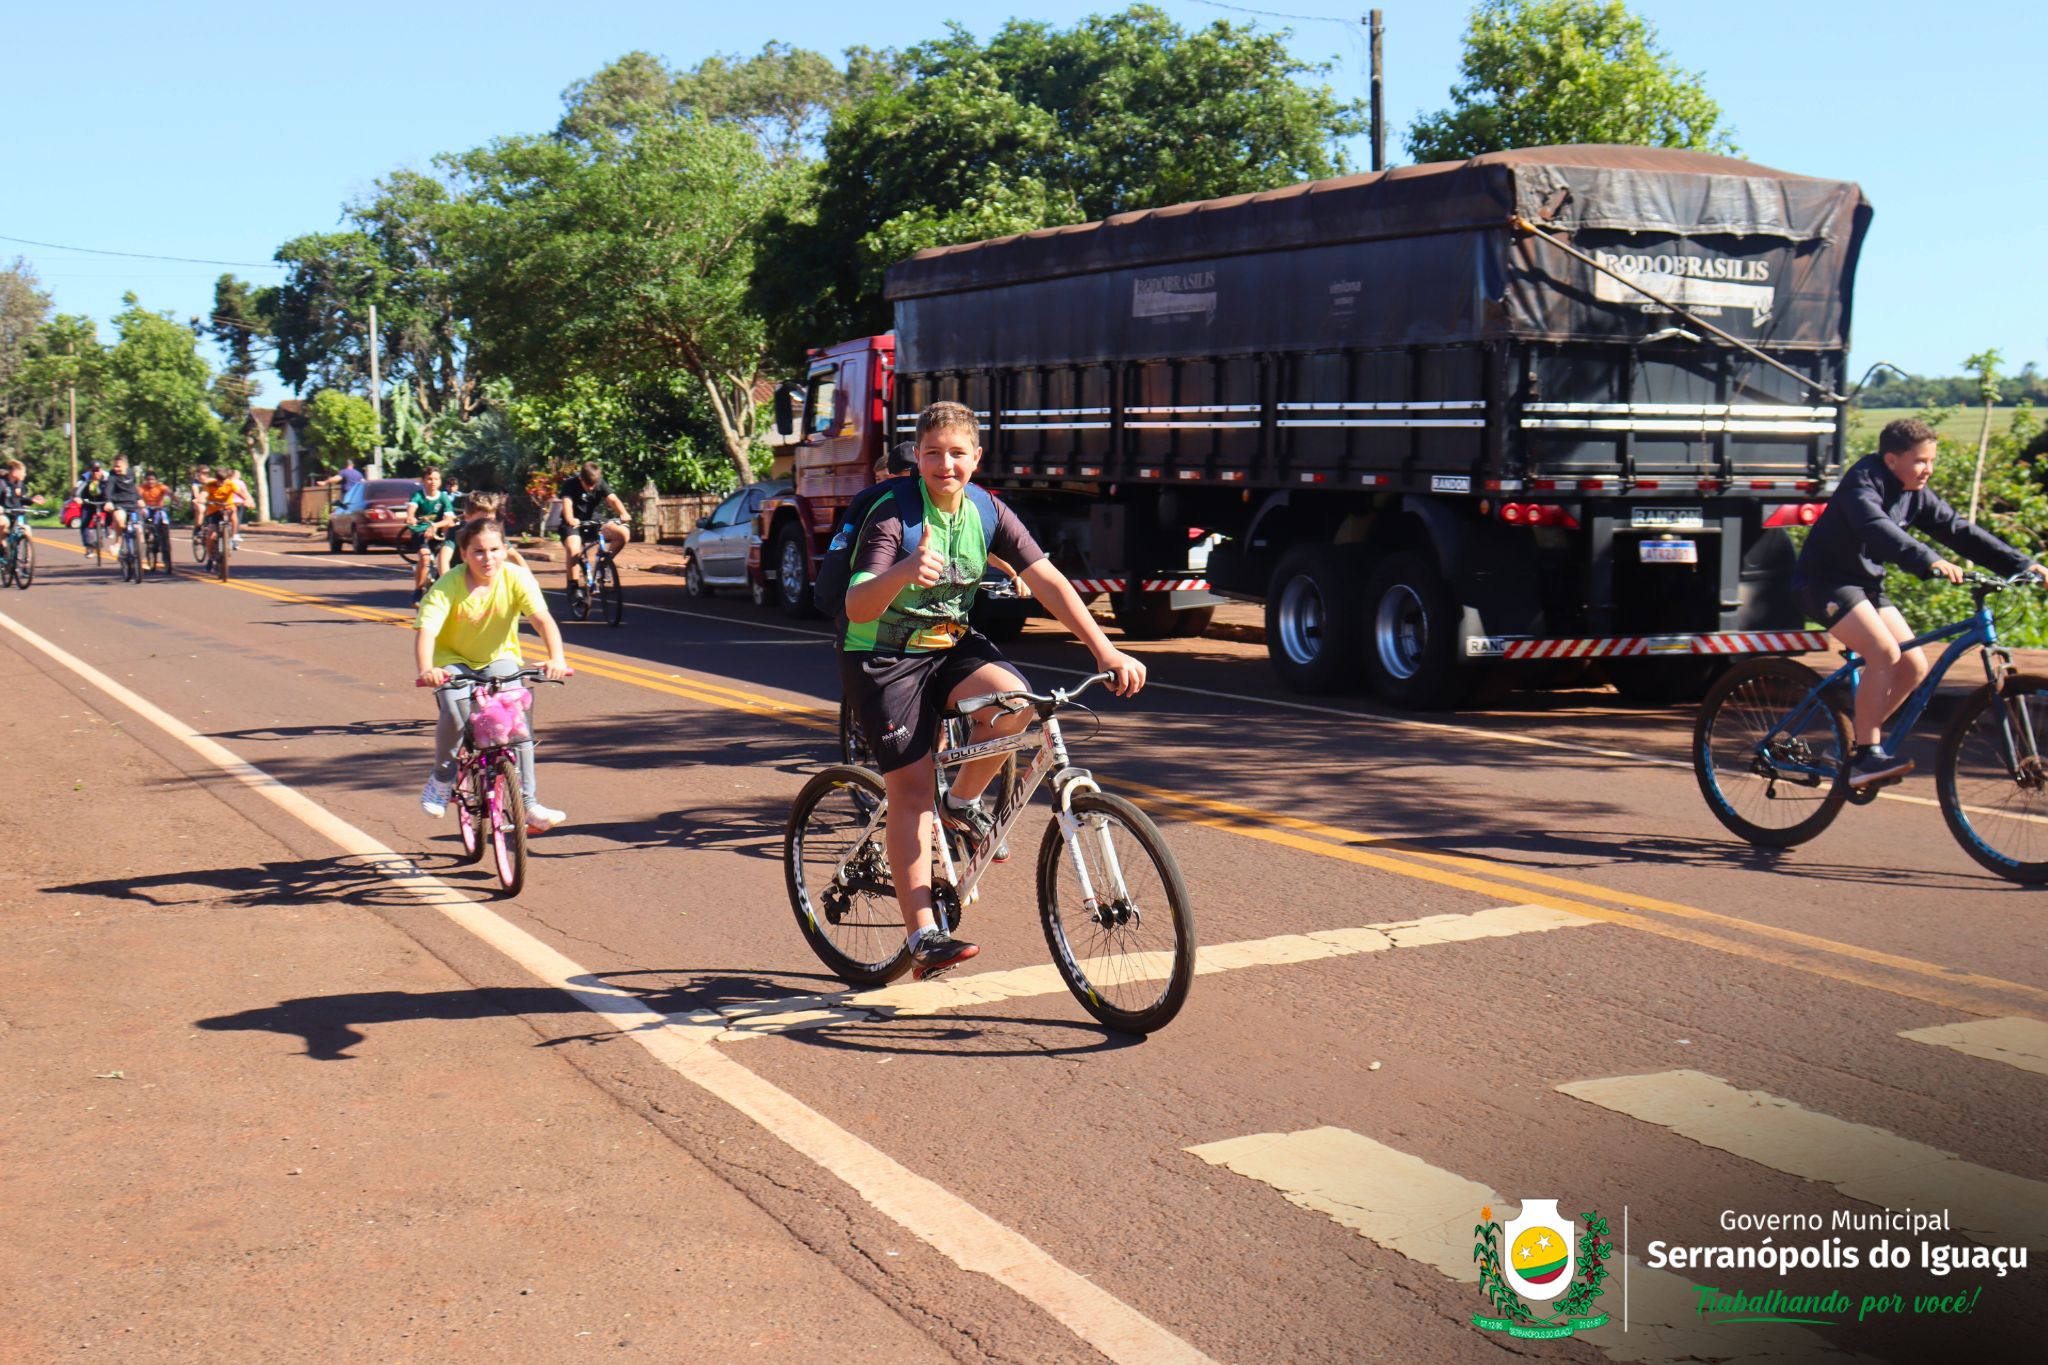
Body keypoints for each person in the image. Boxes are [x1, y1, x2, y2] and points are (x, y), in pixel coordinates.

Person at [840, 400, 1148, 979]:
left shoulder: (987, 510)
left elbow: (1046, 578)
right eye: (934, 453)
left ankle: (960, 803)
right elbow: (856, 603)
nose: (946, 465)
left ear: (977, 458)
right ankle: (923, 935)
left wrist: (1104, 649)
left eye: (957, 453)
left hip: (946, 643)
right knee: (911, 790)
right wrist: (903, 571)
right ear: (918, 458)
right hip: (882, 656)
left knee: (1015, 703)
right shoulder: (894, 514)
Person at [1792, 416, 2048, 786]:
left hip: (1866, 586)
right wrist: (1928, 559)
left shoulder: (1914, 491)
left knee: (1913, 665)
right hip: (1824, 584)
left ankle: (1848, 746)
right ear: (1892, 459)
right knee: (1884, 653)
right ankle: (1867, 756)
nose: (1928, 469)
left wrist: (2021, 564)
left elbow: (1959, 530)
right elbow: (1876, 527)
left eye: (1932, 461)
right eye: (1921, 461)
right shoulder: (1862, 483)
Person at [413, 517, 569, 833]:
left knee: (517, 723)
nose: (488, 558)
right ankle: (442, 778)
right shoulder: (449, 584)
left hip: (500, 657)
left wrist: (557, 657)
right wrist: (427, 669)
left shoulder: (516, 577)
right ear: (464, 553)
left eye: (495, 549)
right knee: (455, 713)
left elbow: (541, 619)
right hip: (452, 661)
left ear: (505, 549)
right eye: (479, 551)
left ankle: (528, 804)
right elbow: (427, 630)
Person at [554, 461, 629, 598]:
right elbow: (567, 503)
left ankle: (604, 564)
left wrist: (623, 513)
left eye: (593, 485)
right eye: (588, 484)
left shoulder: (599, 483)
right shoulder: (570, 484)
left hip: (592, 519)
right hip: (572, 523)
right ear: (580, 478)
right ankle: (574, 586)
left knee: (622, 534)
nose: (591, 488)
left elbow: (613, 499)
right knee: (574, 549)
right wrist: (570, 519)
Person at [406, 467, 459, 605]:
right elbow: (412, 508)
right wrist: (411, 517)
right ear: (423, 481)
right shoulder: (418, 495)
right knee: (425, 558)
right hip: (421, 533)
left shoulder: (443, 497)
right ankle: (418, 591)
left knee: (447, 558)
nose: (433, 482)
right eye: (429, 479)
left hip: (438, 534)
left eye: (436, 479)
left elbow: (449, 519)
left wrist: (435, 526)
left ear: (440, 481)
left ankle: (446, 589)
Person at [461, 491, 530, 570]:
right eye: (481, 521)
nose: (486, 525)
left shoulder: (493, 533)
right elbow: (447, 555)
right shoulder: (459, 532)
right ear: (467, 518)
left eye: (491, 520)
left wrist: (528, 575)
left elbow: (514, 555)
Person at [199, 466, 254, 562]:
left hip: (227, 507)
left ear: (227, 479)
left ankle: (232, 538)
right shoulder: (210, 485)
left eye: (223, 480)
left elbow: (243, 494)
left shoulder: (231, 484)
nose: (220, 483)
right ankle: (210, 557)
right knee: (211, 534)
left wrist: (248, 500)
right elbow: (203, 494)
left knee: (233, 516)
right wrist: (201, 499)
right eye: (219, 480)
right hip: (213, 510)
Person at [1, 460, 45, 550]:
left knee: (27, 531)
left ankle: (28, 555)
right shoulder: (2, 483)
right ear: (14, 472)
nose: (24, 474)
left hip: (18, 514)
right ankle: (2, 542)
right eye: (23, 472)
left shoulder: (20, 485)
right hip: (5, 514)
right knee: (3, 523)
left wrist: (32, 500)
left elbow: (21, 499)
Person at [102, 455, 142, 553]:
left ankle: (142, 553)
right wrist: (108, 501)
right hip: (120, 504)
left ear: (126, 465)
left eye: (118, 466)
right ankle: (118, 543)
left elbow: (134, 487)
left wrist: (139, 499)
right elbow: (108, 488)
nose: (116, 469)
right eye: (114, 466)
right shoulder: (112, 475)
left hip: (133, 503)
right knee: (120, 521)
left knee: (140, 530)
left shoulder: (131, 473)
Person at [74, 460, 109, 549]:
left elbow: (112, 489)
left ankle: (107, 527)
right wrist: (77, 497)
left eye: (98, 470)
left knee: (112, 511)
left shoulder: (107, 477)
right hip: (88, 502)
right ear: (90, 470)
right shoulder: (85, 478)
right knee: (84, 522)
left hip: (103, 502)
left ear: (101, 470)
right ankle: (88, 546)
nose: (96, 473)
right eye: (93, 470)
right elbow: (78, 489)